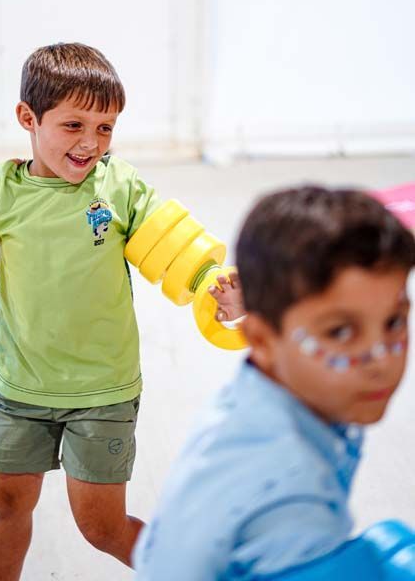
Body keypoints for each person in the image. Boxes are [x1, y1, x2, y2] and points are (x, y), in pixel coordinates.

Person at [0, 42, 239, 581]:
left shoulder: (119, 186)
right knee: (7, 501)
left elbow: (179, 252)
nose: (91, 143)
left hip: (103, 388)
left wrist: (217, 287)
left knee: (101, 528)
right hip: (22, 386)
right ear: (28, 117)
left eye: (105, 128)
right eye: (73, 125)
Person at [134, 186, 415, 580]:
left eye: (394, 322)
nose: (380, 357)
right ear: (263, 340)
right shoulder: (286, 485)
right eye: (339, 332)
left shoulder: (271, 399)